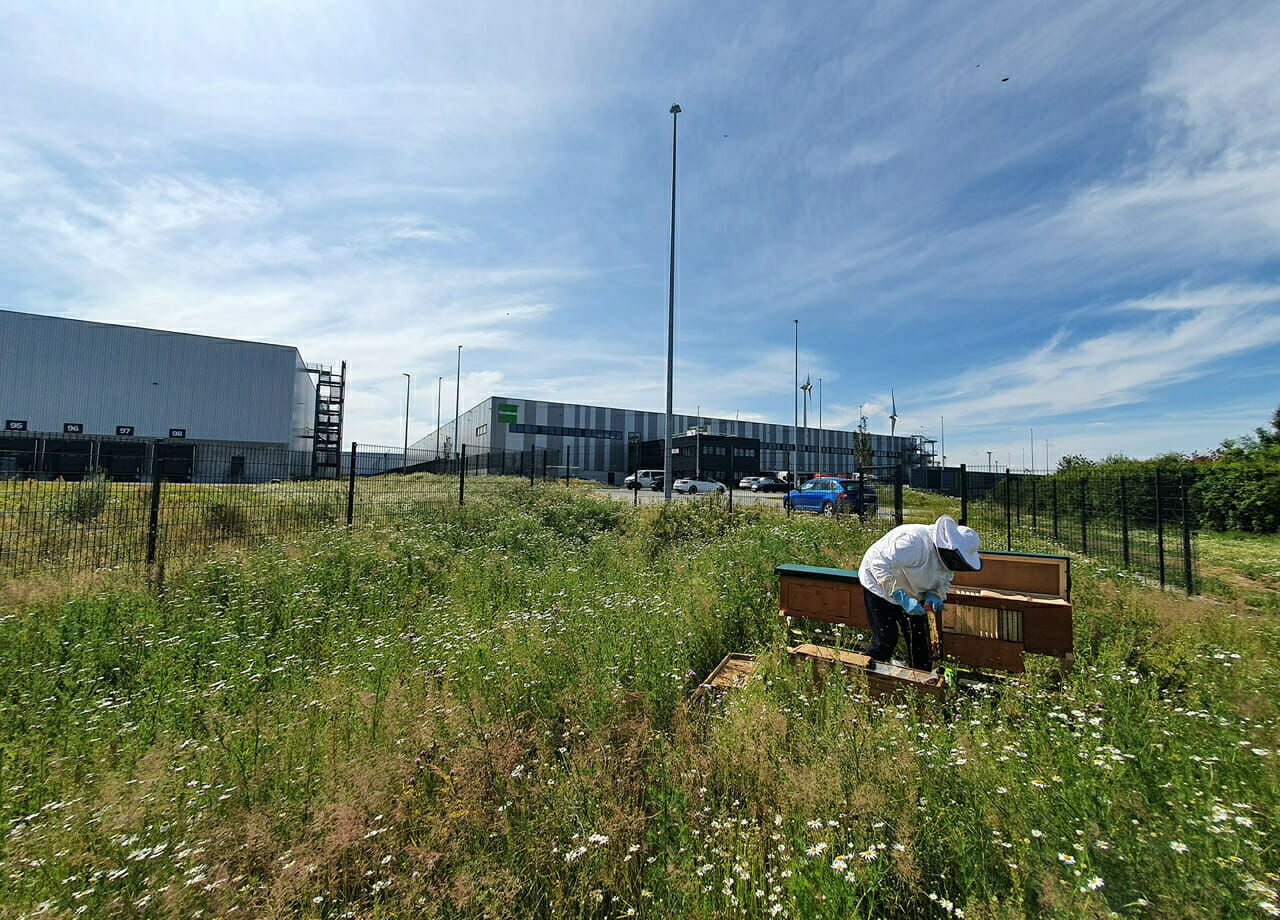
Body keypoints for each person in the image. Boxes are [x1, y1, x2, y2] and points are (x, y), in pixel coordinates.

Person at [857, 514, 982, 671]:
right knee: (886, 639)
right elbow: (878, 565)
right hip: (877, 584)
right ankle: (860, 673)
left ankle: (922, 680)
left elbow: (944, 579)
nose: (955, 563)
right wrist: (899, 596)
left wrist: (936, 595)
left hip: (912, 592)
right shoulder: (913, 541)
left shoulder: (947, 557)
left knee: (919, 640)